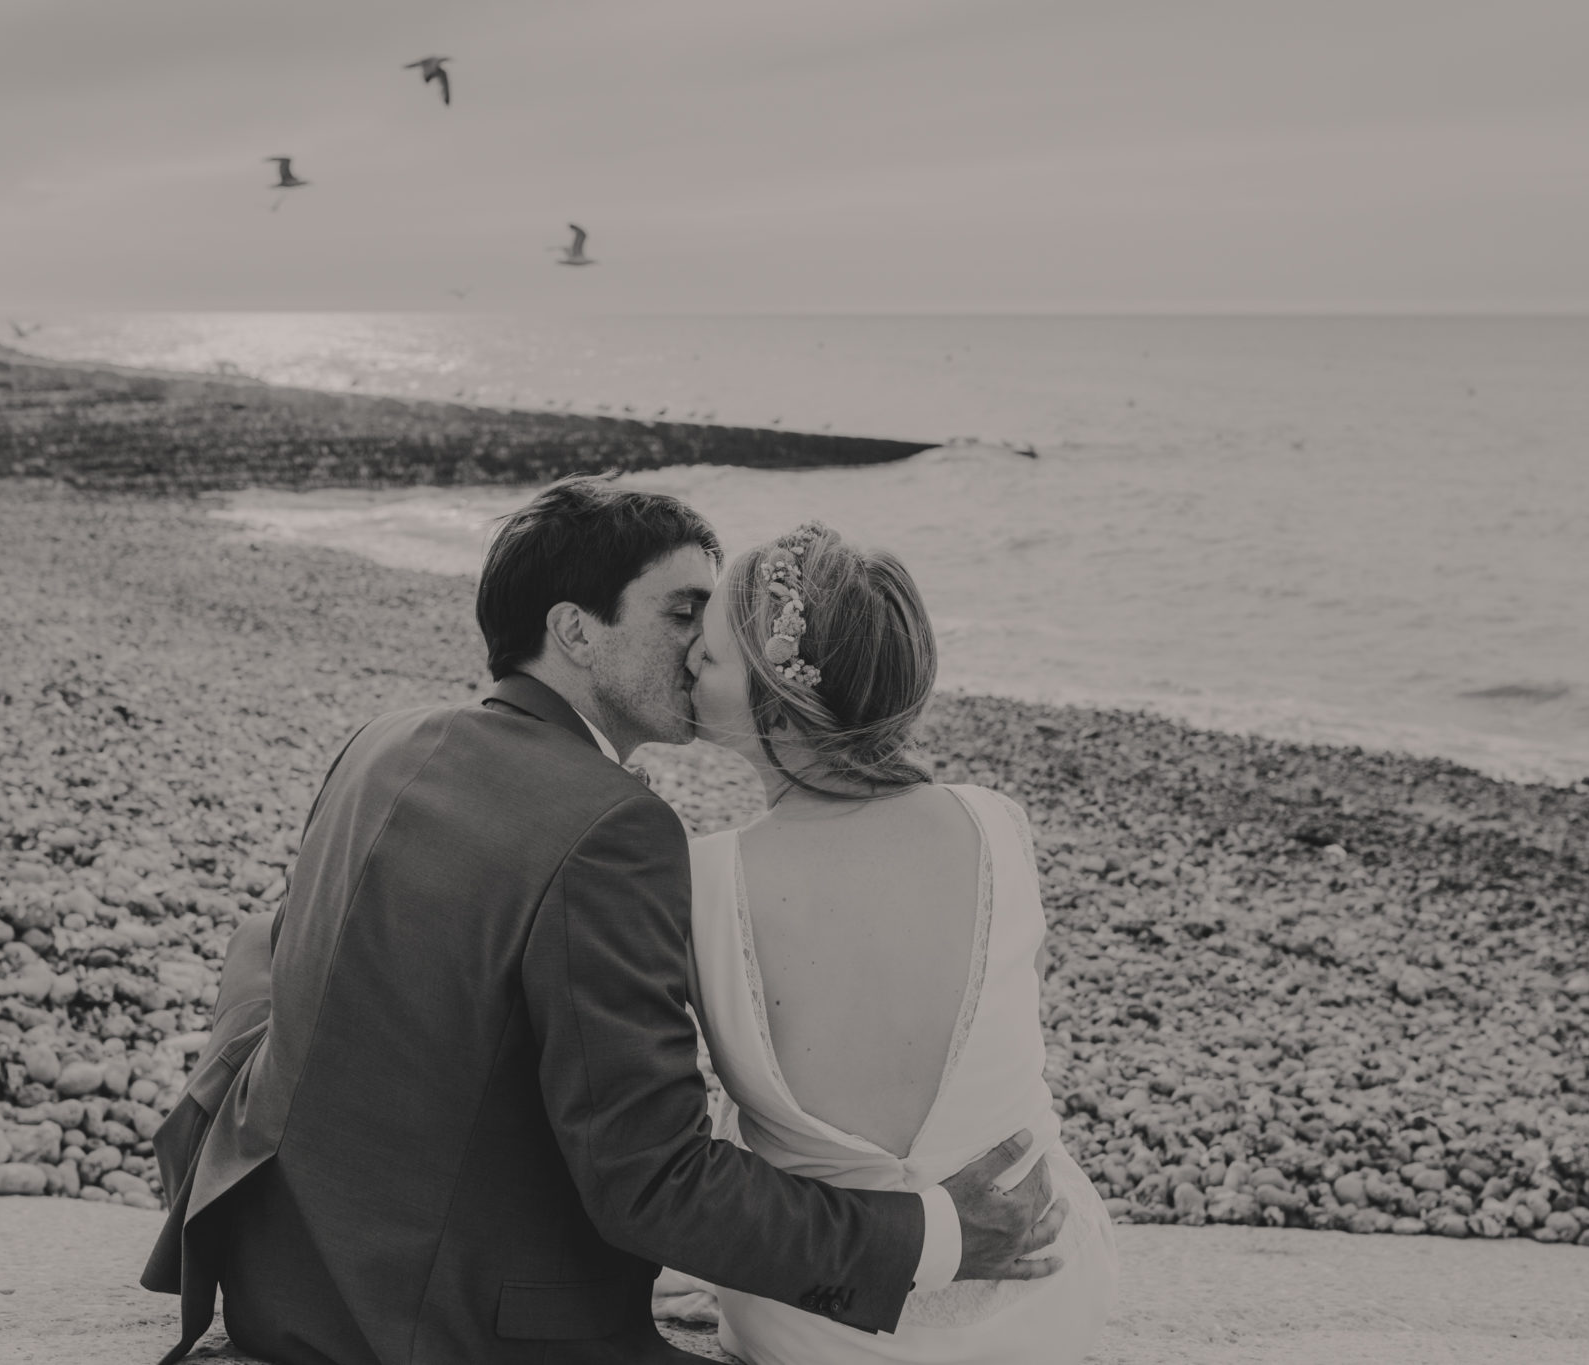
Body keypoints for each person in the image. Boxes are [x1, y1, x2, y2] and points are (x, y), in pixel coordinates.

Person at [141, 479, 1068, 1365]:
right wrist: (935, 1233)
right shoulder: (614, 827)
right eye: (680, 612)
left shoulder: (383, 738)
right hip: (446, 1328)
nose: (705, 643)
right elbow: (651, 1181)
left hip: (277, 1273)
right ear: (575, 630)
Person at [679, 521, 1119, 1364]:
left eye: (715, 650)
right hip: (1044, 1294)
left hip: (819, 1326)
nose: (692, 657)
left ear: (783, 692)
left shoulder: (700, 881)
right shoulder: (996, 824)